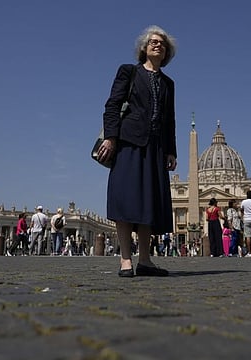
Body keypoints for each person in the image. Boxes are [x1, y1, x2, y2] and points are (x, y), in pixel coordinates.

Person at [97, 25, 177, 277]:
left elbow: (169, 119)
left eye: (162, 43)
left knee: (148, 204)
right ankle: (125, 260)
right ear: (144, 47)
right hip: (129, 142)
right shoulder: (128, 72)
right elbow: (113, 104)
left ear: (166, 53)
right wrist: (110, 137)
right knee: (125, 199)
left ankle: (145, 260)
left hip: (156, 147)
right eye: (153, 41)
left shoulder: (168, 83)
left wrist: (171, 151)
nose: (157, 45)